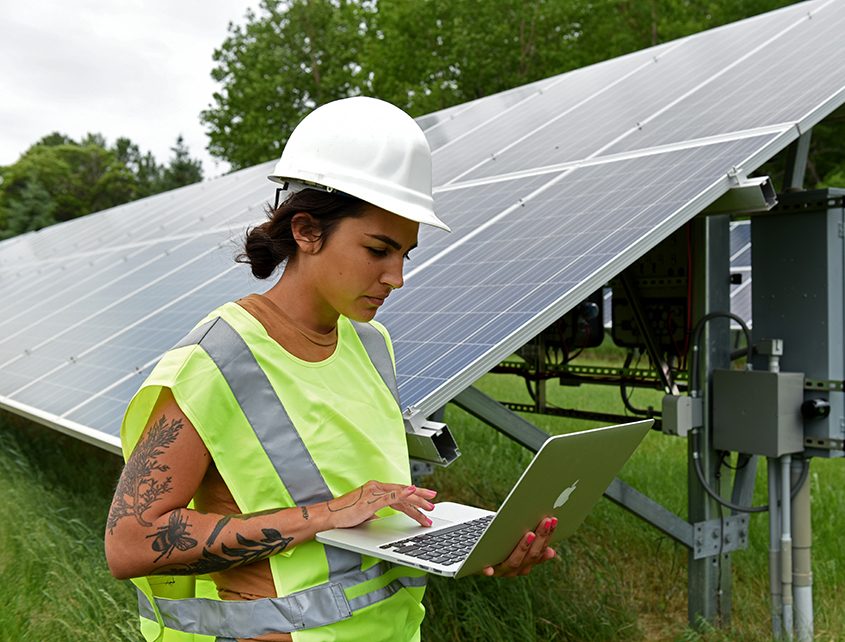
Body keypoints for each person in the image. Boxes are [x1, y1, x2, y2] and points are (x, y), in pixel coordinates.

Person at [104, 96, 557, 642]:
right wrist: (323, 515)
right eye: (377, 249)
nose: (397, 277)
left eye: (405, 254)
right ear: (306, 232)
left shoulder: (371, 344)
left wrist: (476, 547)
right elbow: (132, 541)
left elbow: (368, 509)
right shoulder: (216, 361)